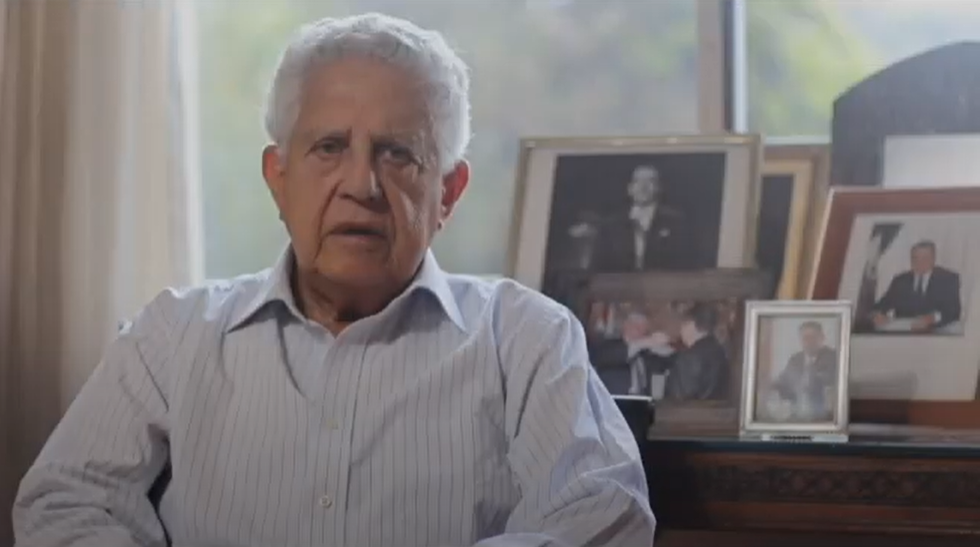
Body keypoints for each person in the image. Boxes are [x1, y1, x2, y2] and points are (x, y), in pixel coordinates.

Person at [12, 14, 655, 547]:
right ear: (278, 177)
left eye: (397, 153)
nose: (361, 185)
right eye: (329, 147)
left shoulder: (526, 340)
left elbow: (605, 516)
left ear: (449, 192)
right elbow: (63, 504)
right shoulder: (172, 336)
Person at [594, 165, 694, 272]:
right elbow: (599, 266)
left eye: (650, 181)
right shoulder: (611, 225)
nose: (643, 186)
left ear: (659, 188)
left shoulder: (677, 222)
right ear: (630, 189)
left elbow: (685, 264)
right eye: (637, 181)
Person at [871, 240, 961, 333]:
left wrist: (932, 318)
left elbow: (954, 311)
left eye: (925, 258)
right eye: (915, 258)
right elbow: (881, 305)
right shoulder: (900, 280)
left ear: (933, 259)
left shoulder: (948, 278)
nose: (919, 262)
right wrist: (878, 315)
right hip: (906, 331)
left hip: (936, 330)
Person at [769, 321, 838, 422]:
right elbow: (783, 381)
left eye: (813, 337)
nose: (809, 342)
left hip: (824, 415)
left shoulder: (833, 357)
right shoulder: (795, 359)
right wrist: (771, 387)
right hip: (797, 412)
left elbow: (830, 381)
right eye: (805, 338)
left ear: (822, 338)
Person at [664, 304, 728, 401]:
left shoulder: (689, 357)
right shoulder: (719, 350)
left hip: (693, 410)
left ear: (691, 324)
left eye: (683, 324)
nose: (681, 330)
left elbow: (679, 399)